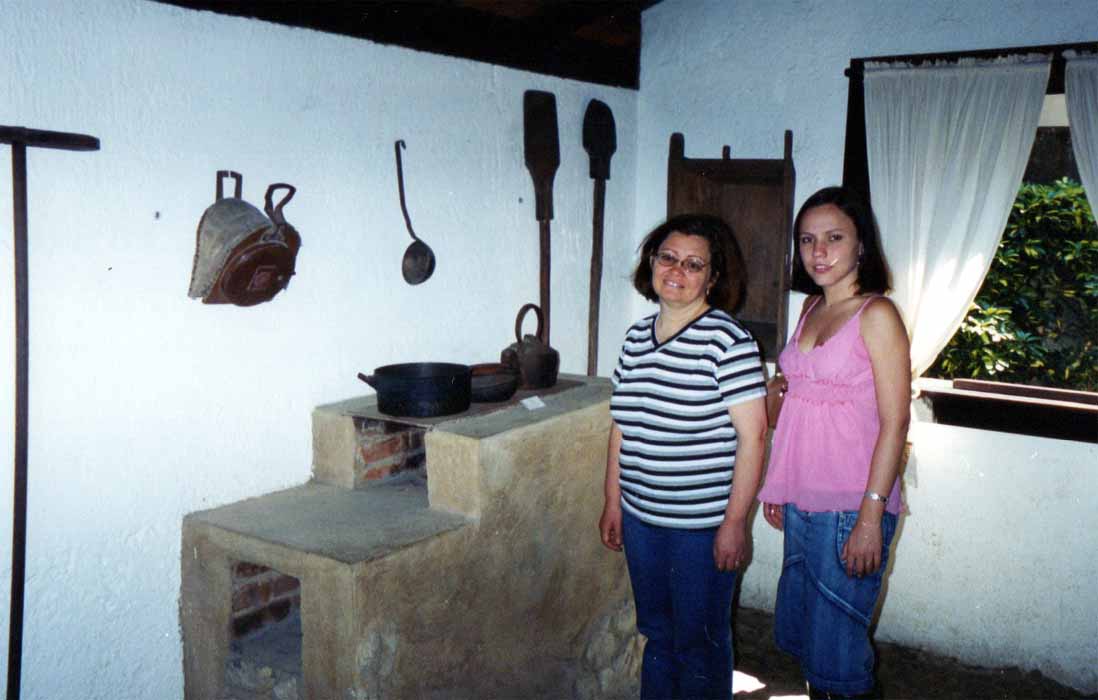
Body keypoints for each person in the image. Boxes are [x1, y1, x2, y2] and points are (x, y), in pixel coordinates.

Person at [599, 214, 768, 700]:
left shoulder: (728, 342)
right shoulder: (636, 339)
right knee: (656, 633)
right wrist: (613, 501)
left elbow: (754, 437)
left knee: (700, 643)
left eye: (694, 264)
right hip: (642, 521)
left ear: (712, 278)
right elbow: (621, 426)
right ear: (651, 263)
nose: (677, 270)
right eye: (668, 258)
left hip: (701, 528)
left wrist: (734, 523)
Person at [758, 186, 911, 699]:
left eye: (834, 238)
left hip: (852, 504)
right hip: (803, 497)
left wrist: (870, 516)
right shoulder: (809, 307)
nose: (818, 252)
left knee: (839, 646)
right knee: (810, 634)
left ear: (861, 244)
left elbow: (895, 422)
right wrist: (779, 485)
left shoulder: (877, 314)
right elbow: (797, 405)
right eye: (807, 240)